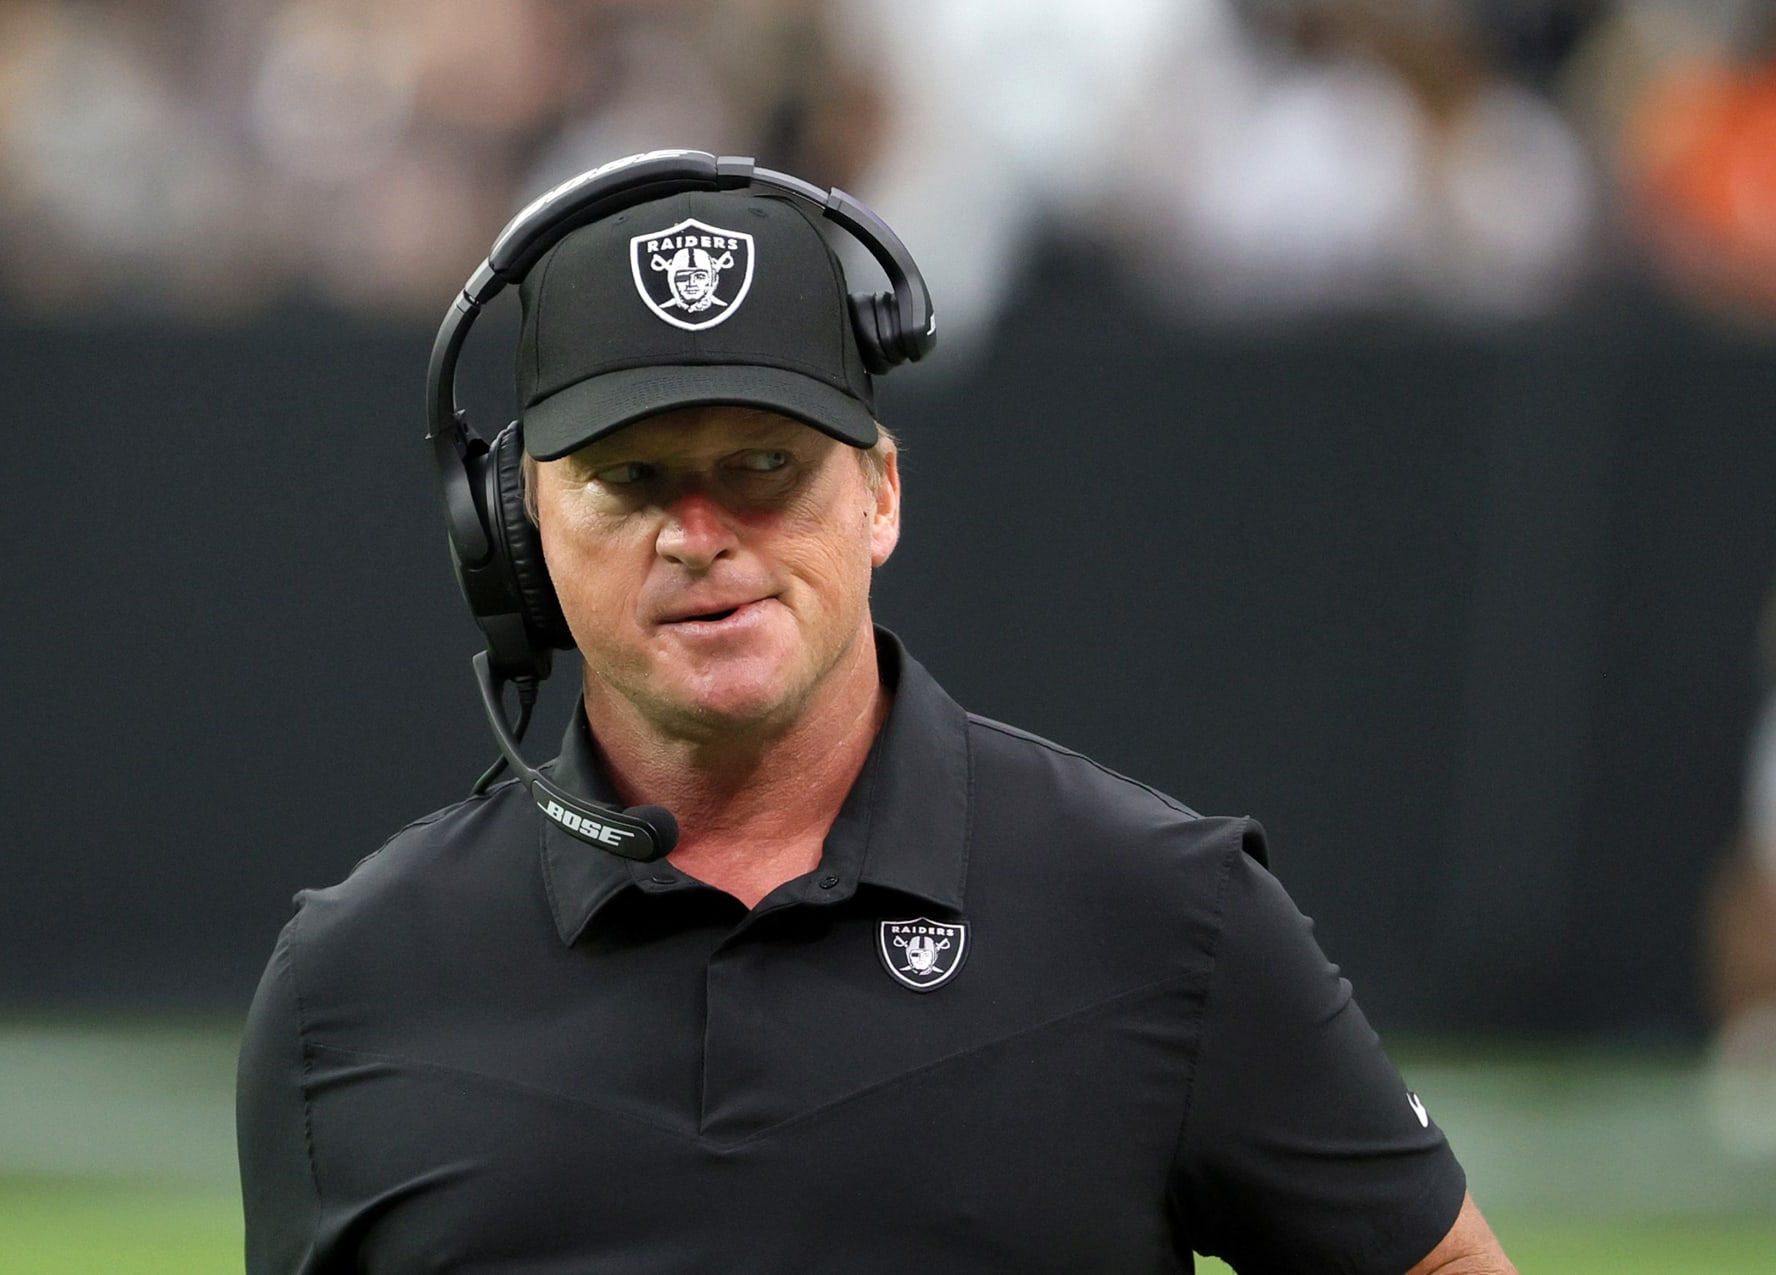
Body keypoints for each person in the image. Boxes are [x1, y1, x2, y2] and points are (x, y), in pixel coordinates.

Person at [237, 156, 1516, 1273]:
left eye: (765, 469)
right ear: (515, 537)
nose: (700, 536)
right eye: (630, 480)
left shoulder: (1163, 916)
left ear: (880, 496)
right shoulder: (350, 985)